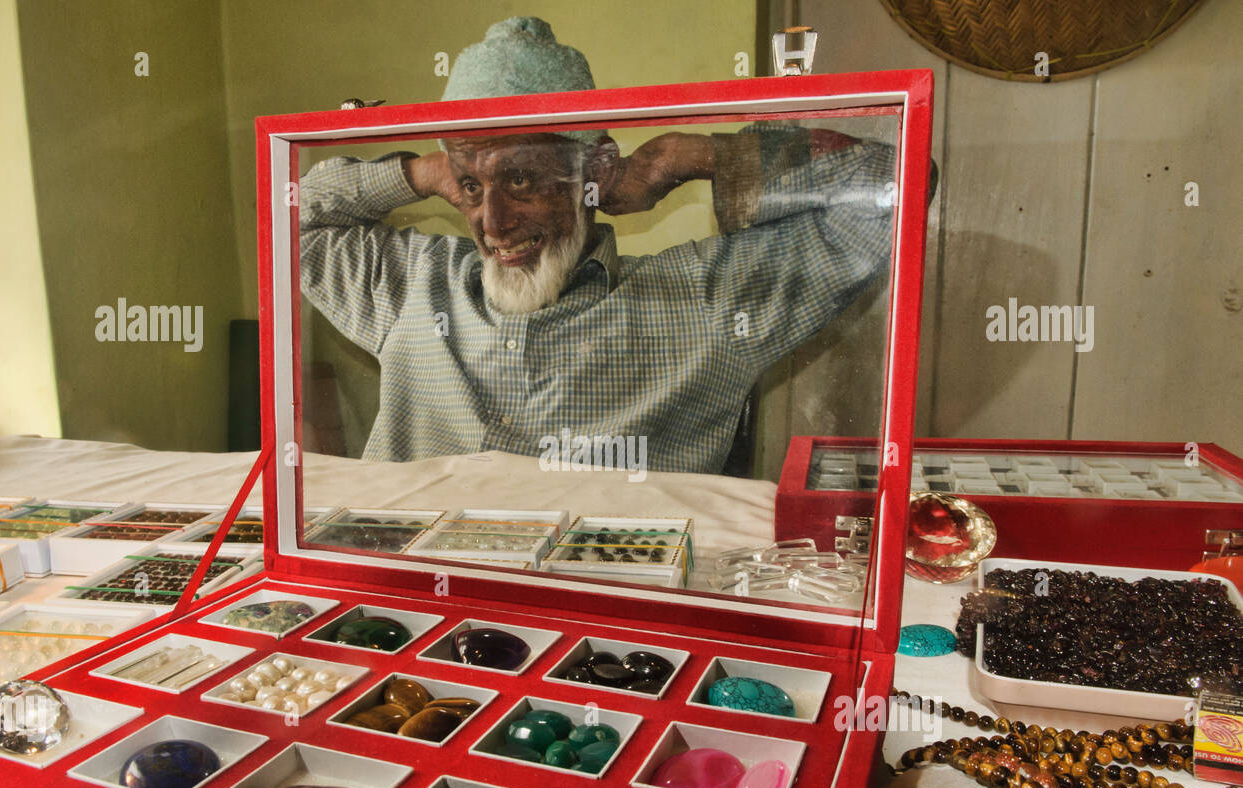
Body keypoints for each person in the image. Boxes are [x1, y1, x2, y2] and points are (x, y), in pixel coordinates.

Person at [299, 16, 903, 473]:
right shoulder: (414, 284)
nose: (493, 221)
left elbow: (891, 188)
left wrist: (685, 157)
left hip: (603, 629)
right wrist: (426, 171)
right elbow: (293, 218)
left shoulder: (706, 301)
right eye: (472, 186)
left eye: (519, 179)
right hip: (398, 608)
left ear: (596, 172)